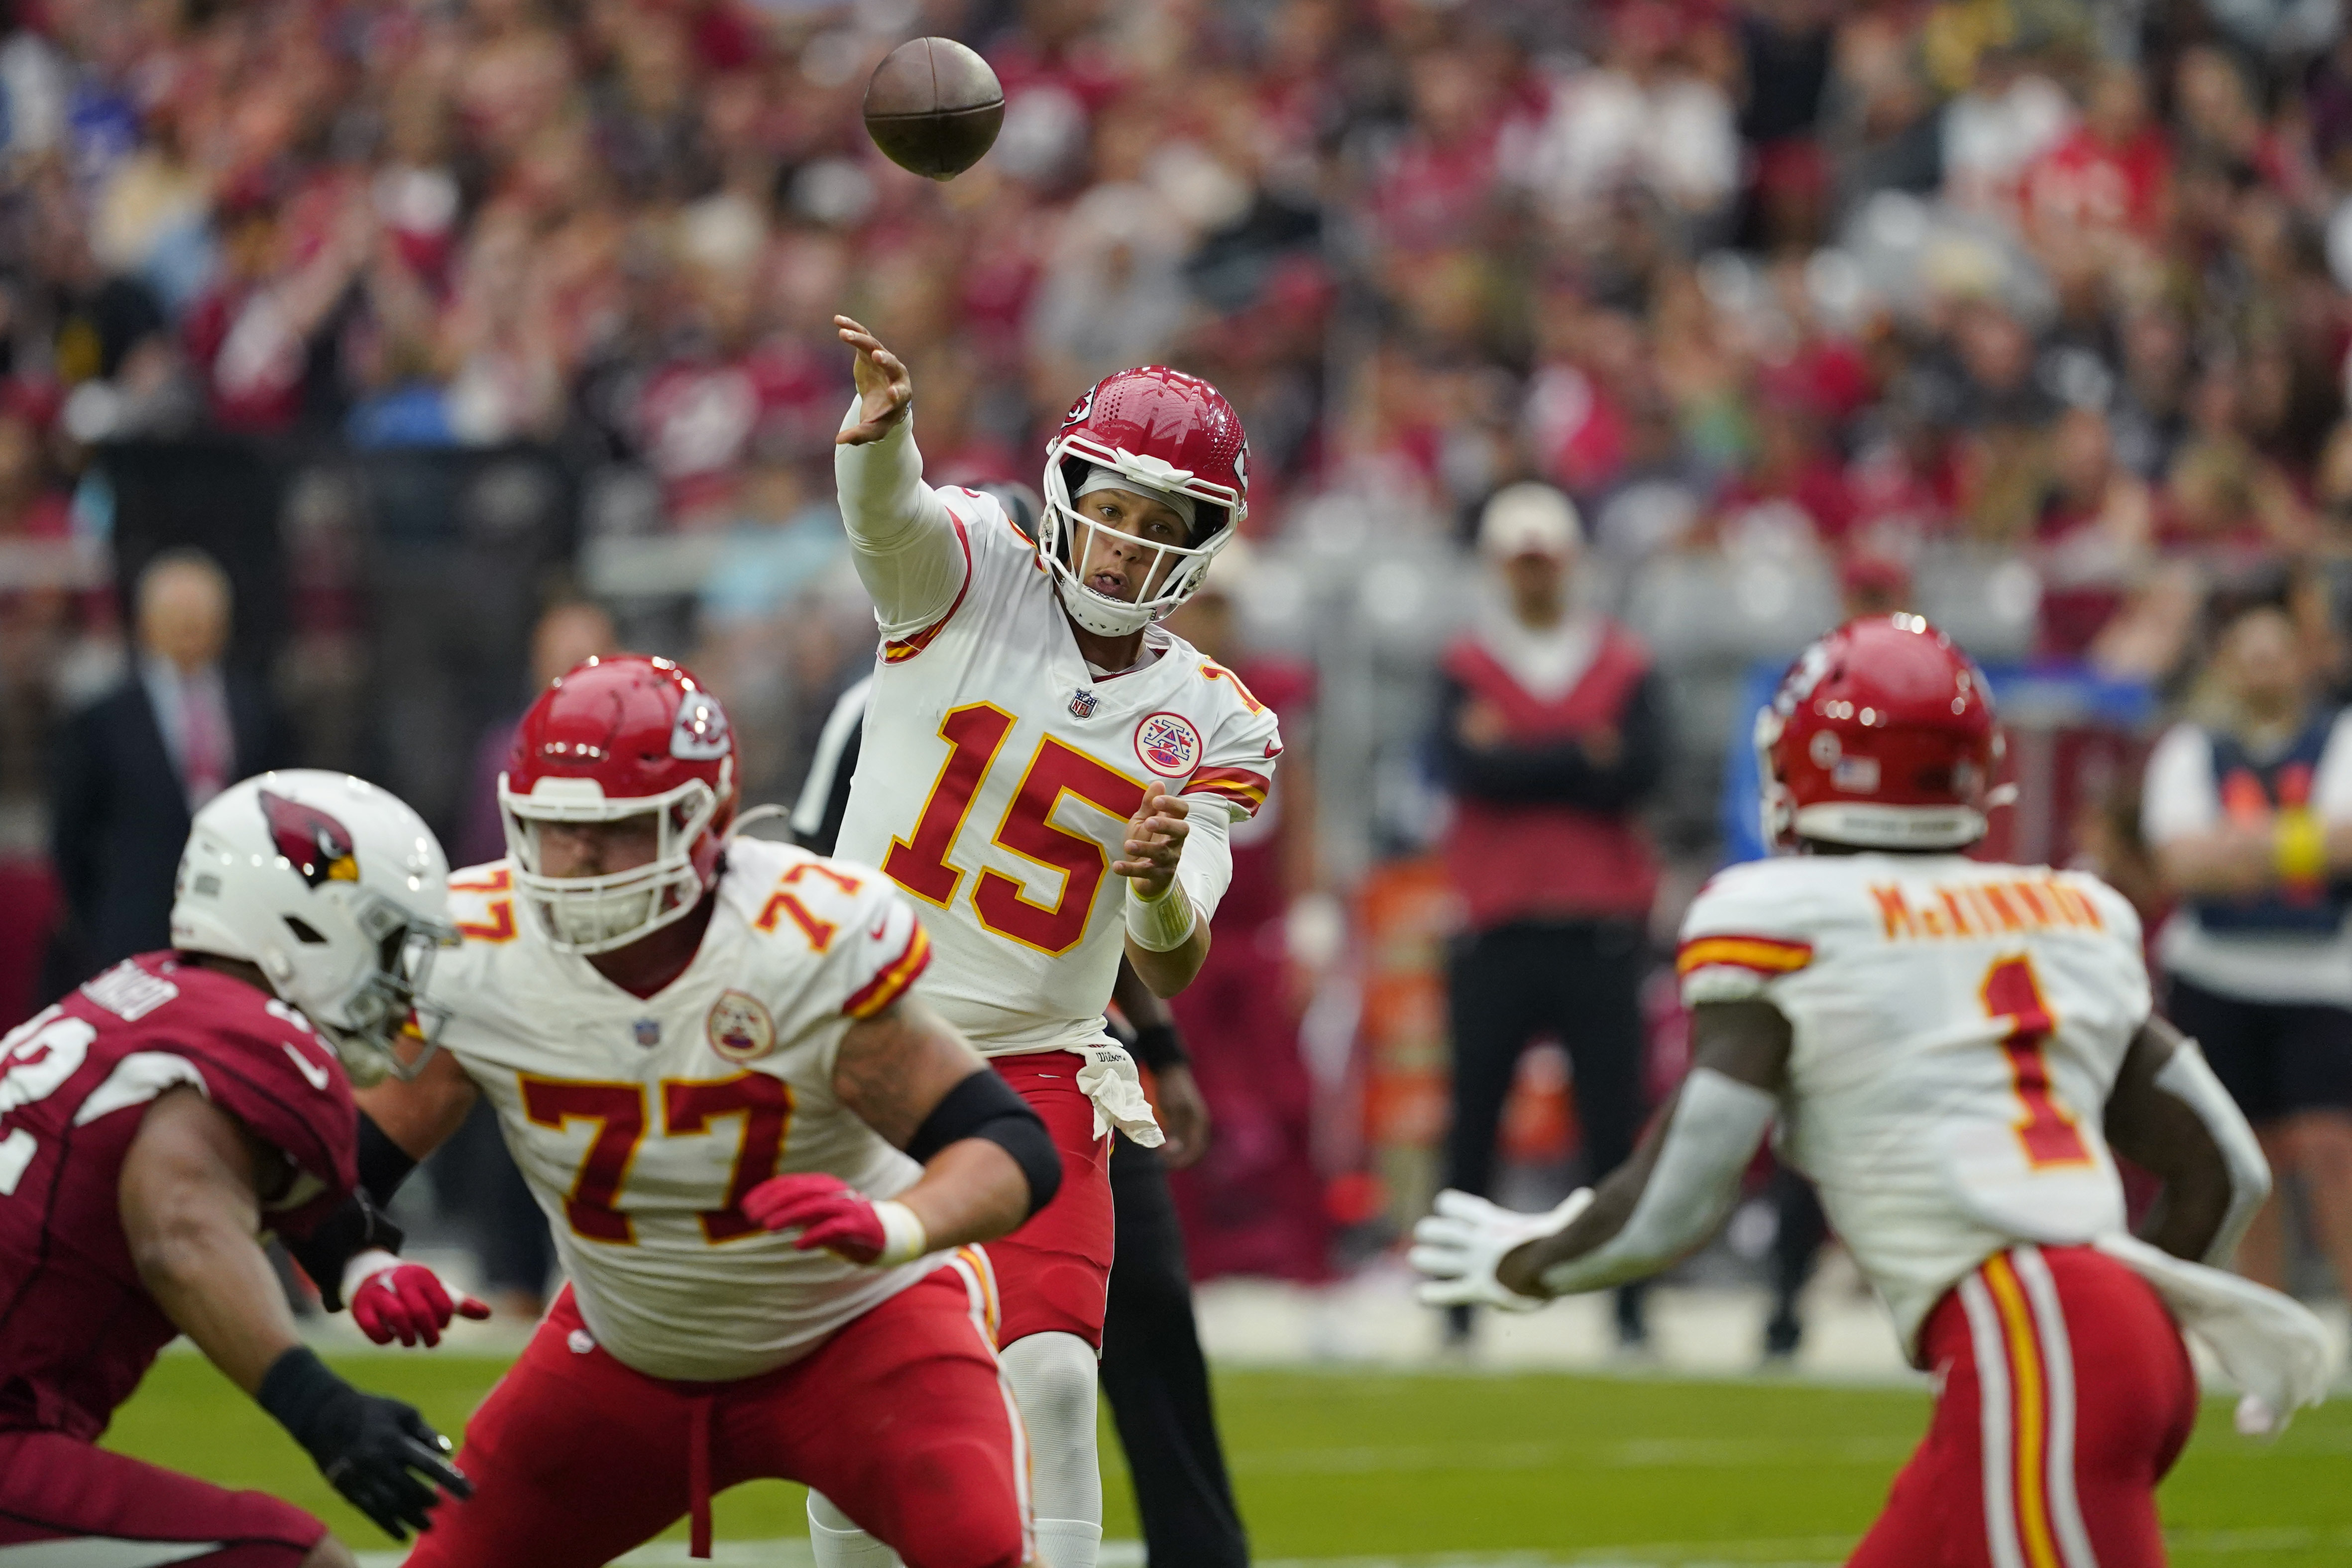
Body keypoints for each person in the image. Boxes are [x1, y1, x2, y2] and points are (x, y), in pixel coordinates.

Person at [1414, 616, 2335, 1567]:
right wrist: (2143, 1323)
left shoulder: (1784, 916)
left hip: (2034, 1342)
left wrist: (1534, 1260)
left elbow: (1680, 1196)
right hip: (2079, 1342)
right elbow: (2226, 1169)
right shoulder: (2066, 911)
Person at [324, 655, 1061, 1568]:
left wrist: (895, 1223)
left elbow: (1009, 1145)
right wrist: (358, 1265)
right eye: (556, 829)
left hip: (857, 1331)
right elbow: (334, 1176)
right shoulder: (476, 950)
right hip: (628, 1349)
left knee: (980, 1552)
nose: (580, 859)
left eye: (620, 829)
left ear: (704, 823)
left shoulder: (799, 942)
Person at [820, 316, 1281, 1568]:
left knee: (1059, 1382)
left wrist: (1159, 898)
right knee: (860, 1392)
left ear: (1204, 550)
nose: (1132, 546)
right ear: (1070, 487)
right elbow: (889, 522)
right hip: (866, 1051)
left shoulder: (1216, 723)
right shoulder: (973, 564)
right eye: (1119, 509)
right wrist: (878, 437)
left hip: (1038, 1063)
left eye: (1167, 526)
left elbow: (1175, 958)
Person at [793, 662, 1248, 1568]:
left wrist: (1162, 1050)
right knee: (855, 1366)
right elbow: (812, 868)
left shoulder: (1158, 712)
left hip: (1059, 1052)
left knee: (1096, 1341)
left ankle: (1203, 1553)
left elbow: (1137, 914)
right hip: (893, 1053)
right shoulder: (909, 676)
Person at [0, 769, 470, 1565]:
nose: (401, 986)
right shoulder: (261, 1047)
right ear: (310, 923)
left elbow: (239, 1173)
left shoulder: (138, 992)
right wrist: (321, 1410)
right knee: (296, 1557)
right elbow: (179, 1220)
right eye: (389, 942)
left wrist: (359, 1264)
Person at [1430, 481, 1668, 1348]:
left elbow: (1640, 770)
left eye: (1545, 562)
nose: (1534, 579)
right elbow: (1465, 768)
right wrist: (1580, 753)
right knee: (1473, 1120)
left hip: (1597, 920)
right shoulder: (1469, 662)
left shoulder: (1620, 660)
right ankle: (1456, 1303)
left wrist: (1522, 754)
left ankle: (1630, 1302)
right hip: (1496, 919)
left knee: (1614, 1119)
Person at [2141, 600, 2352, 1303]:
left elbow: (2344, 845)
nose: (2264, 670)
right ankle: (2269, 1312)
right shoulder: (2191, 746)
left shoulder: (2340, 735)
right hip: (2217, 973)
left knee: (2331, 1151)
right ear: (2227, 667)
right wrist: (2297, 844)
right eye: (2249, 655)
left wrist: (2235, 843)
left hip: (2320, 976)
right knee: (2246, 1159)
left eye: (2276, 653)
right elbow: (2178, 861)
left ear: (2302, 660)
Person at [48, 547, 290, 985]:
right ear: (144, 620)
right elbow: (72, 839)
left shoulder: (260, 712)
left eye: (202, 612)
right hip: (133, 935)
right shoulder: (102, 720)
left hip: (235, 936)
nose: (189, 625)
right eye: (176, 612)